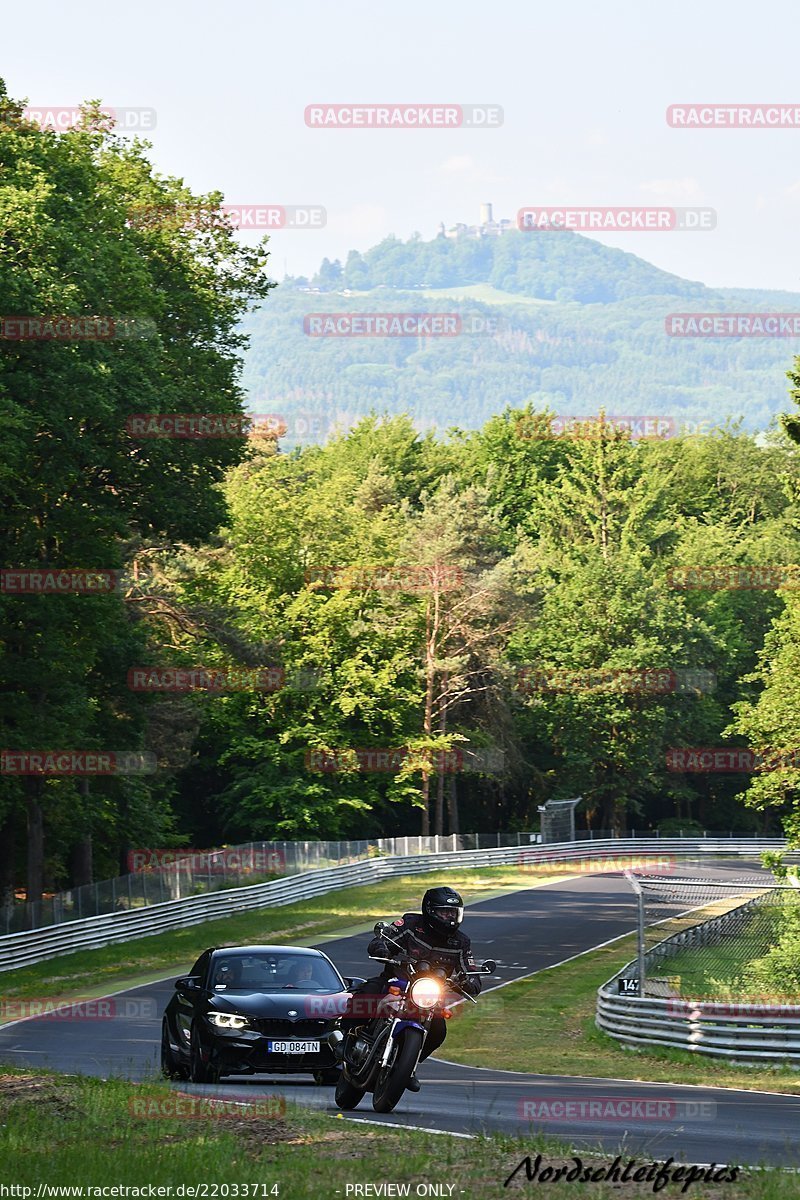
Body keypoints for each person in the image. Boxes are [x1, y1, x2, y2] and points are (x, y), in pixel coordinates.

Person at [337, 886, 482, 1091]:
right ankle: (346, 1036)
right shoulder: (411, 924)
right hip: (396, 980)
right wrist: (382, 947)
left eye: (453, 913)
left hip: (429, 995)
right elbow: (384, 937)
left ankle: (408, 1067)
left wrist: (471, 981)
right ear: (430, 911)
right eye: (444, 912)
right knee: (367, 994)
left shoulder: (461, 942)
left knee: (438, 1031)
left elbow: (471, 970)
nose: (449, 918)